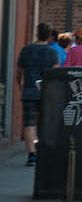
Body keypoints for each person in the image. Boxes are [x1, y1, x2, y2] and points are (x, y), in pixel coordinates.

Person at [16, 22, 59, 165]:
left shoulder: (26, 50)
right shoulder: (53, 53)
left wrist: (21, 87)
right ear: (49, 36)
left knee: (29, 123)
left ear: (37, 33)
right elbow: (55, 75)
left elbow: (19, 73)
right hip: (46, 93)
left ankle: (31, 154)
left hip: (29, 91)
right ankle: (42, 150)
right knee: (44, 122)